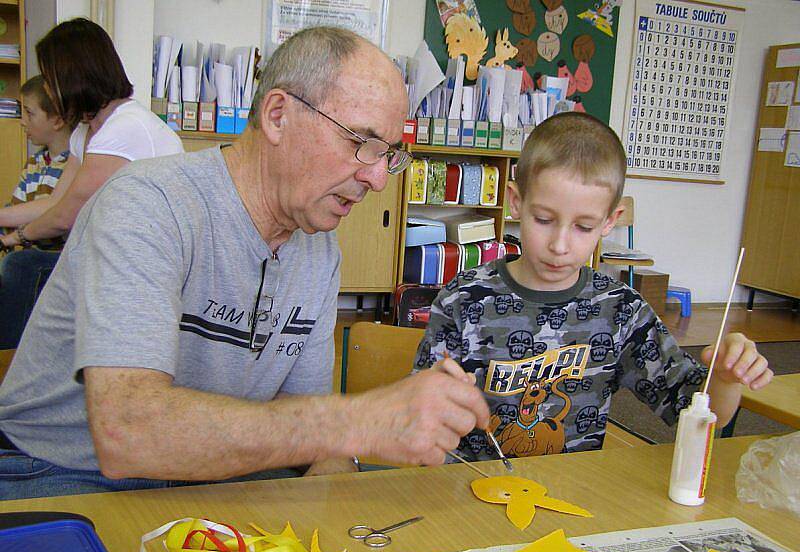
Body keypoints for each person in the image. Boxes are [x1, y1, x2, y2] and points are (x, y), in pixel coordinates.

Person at [0, 26, 489, 500]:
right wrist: (362, 422)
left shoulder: (319, 252)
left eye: (389, 155)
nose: (378, 178)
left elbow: (305, 423)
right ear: (277, 115)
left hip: (213, 479)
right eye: (360, 142)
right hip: (60, 472)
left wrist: (339, 469)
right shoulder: (148, 204)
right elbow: (129, 431)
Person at [413, 112, 772, 462]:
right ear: (516, 201)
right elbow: (421, 410)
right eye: (543, 220)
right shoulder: (464, 298)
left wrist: (725, 378)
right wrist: (433, 400)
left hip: (573, 495)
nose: (560, 245)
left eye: (583, 227)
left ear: (609, 222)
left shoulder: (620, 310)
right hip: (471, 488)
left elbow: (691, 413)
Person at [0, 18, 183, 252]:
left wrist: (14, 238)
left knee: (23, 266)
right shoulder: (85, 130)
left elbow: (65, 217)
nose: (46, 89)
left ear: (71, 78)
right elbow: (57, 204)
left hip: (154, 253)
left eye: (48, 80)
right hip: (124, 247)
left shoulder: (124, 127)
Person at [0, 75, 71, 349]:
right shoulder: (35, 164)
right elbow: (16, 211)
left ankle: (7, 358)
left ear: (57, 120)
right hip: (27, 246)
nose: (22, 122)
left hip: (55, 255)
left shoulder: (75, 165)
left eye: (29, 113)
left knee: (18, 265)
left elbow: (55, 215)